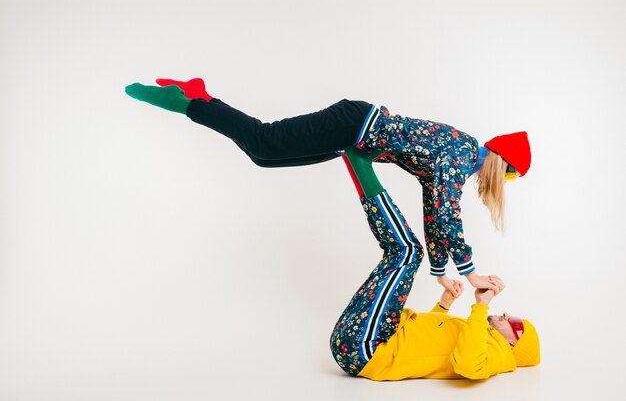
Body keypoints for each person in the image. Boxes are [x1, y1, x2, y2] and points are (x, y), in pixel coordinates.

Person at [125, 78, 532, 295]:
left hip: (353, 135)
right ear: (503, 162)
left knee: (263, 156)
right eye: (511, 175)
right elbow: (447, 214)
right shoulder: (461, 154)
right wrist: (472, 273)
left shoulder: (457, 157)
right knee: (264, 140)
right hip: (353, 124)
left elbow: (434, 209)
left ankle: (200, 96)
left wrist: (442, 273)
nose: (505, 182)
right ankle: (190, 99)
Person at [331, 153, 540, 380]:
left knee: (408, 251)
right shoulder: (481, 333)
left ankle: (359, 165)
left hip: (366, 350)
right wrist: (443, 305)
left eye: (516, 323)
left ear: (513, 343)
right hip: (359, 340)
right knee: (404, 252)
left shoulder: (498, 355)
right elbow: (427, 339)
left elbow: (468, 365)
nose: (508, 315)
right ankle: (352, 159)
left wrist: (481, 305)